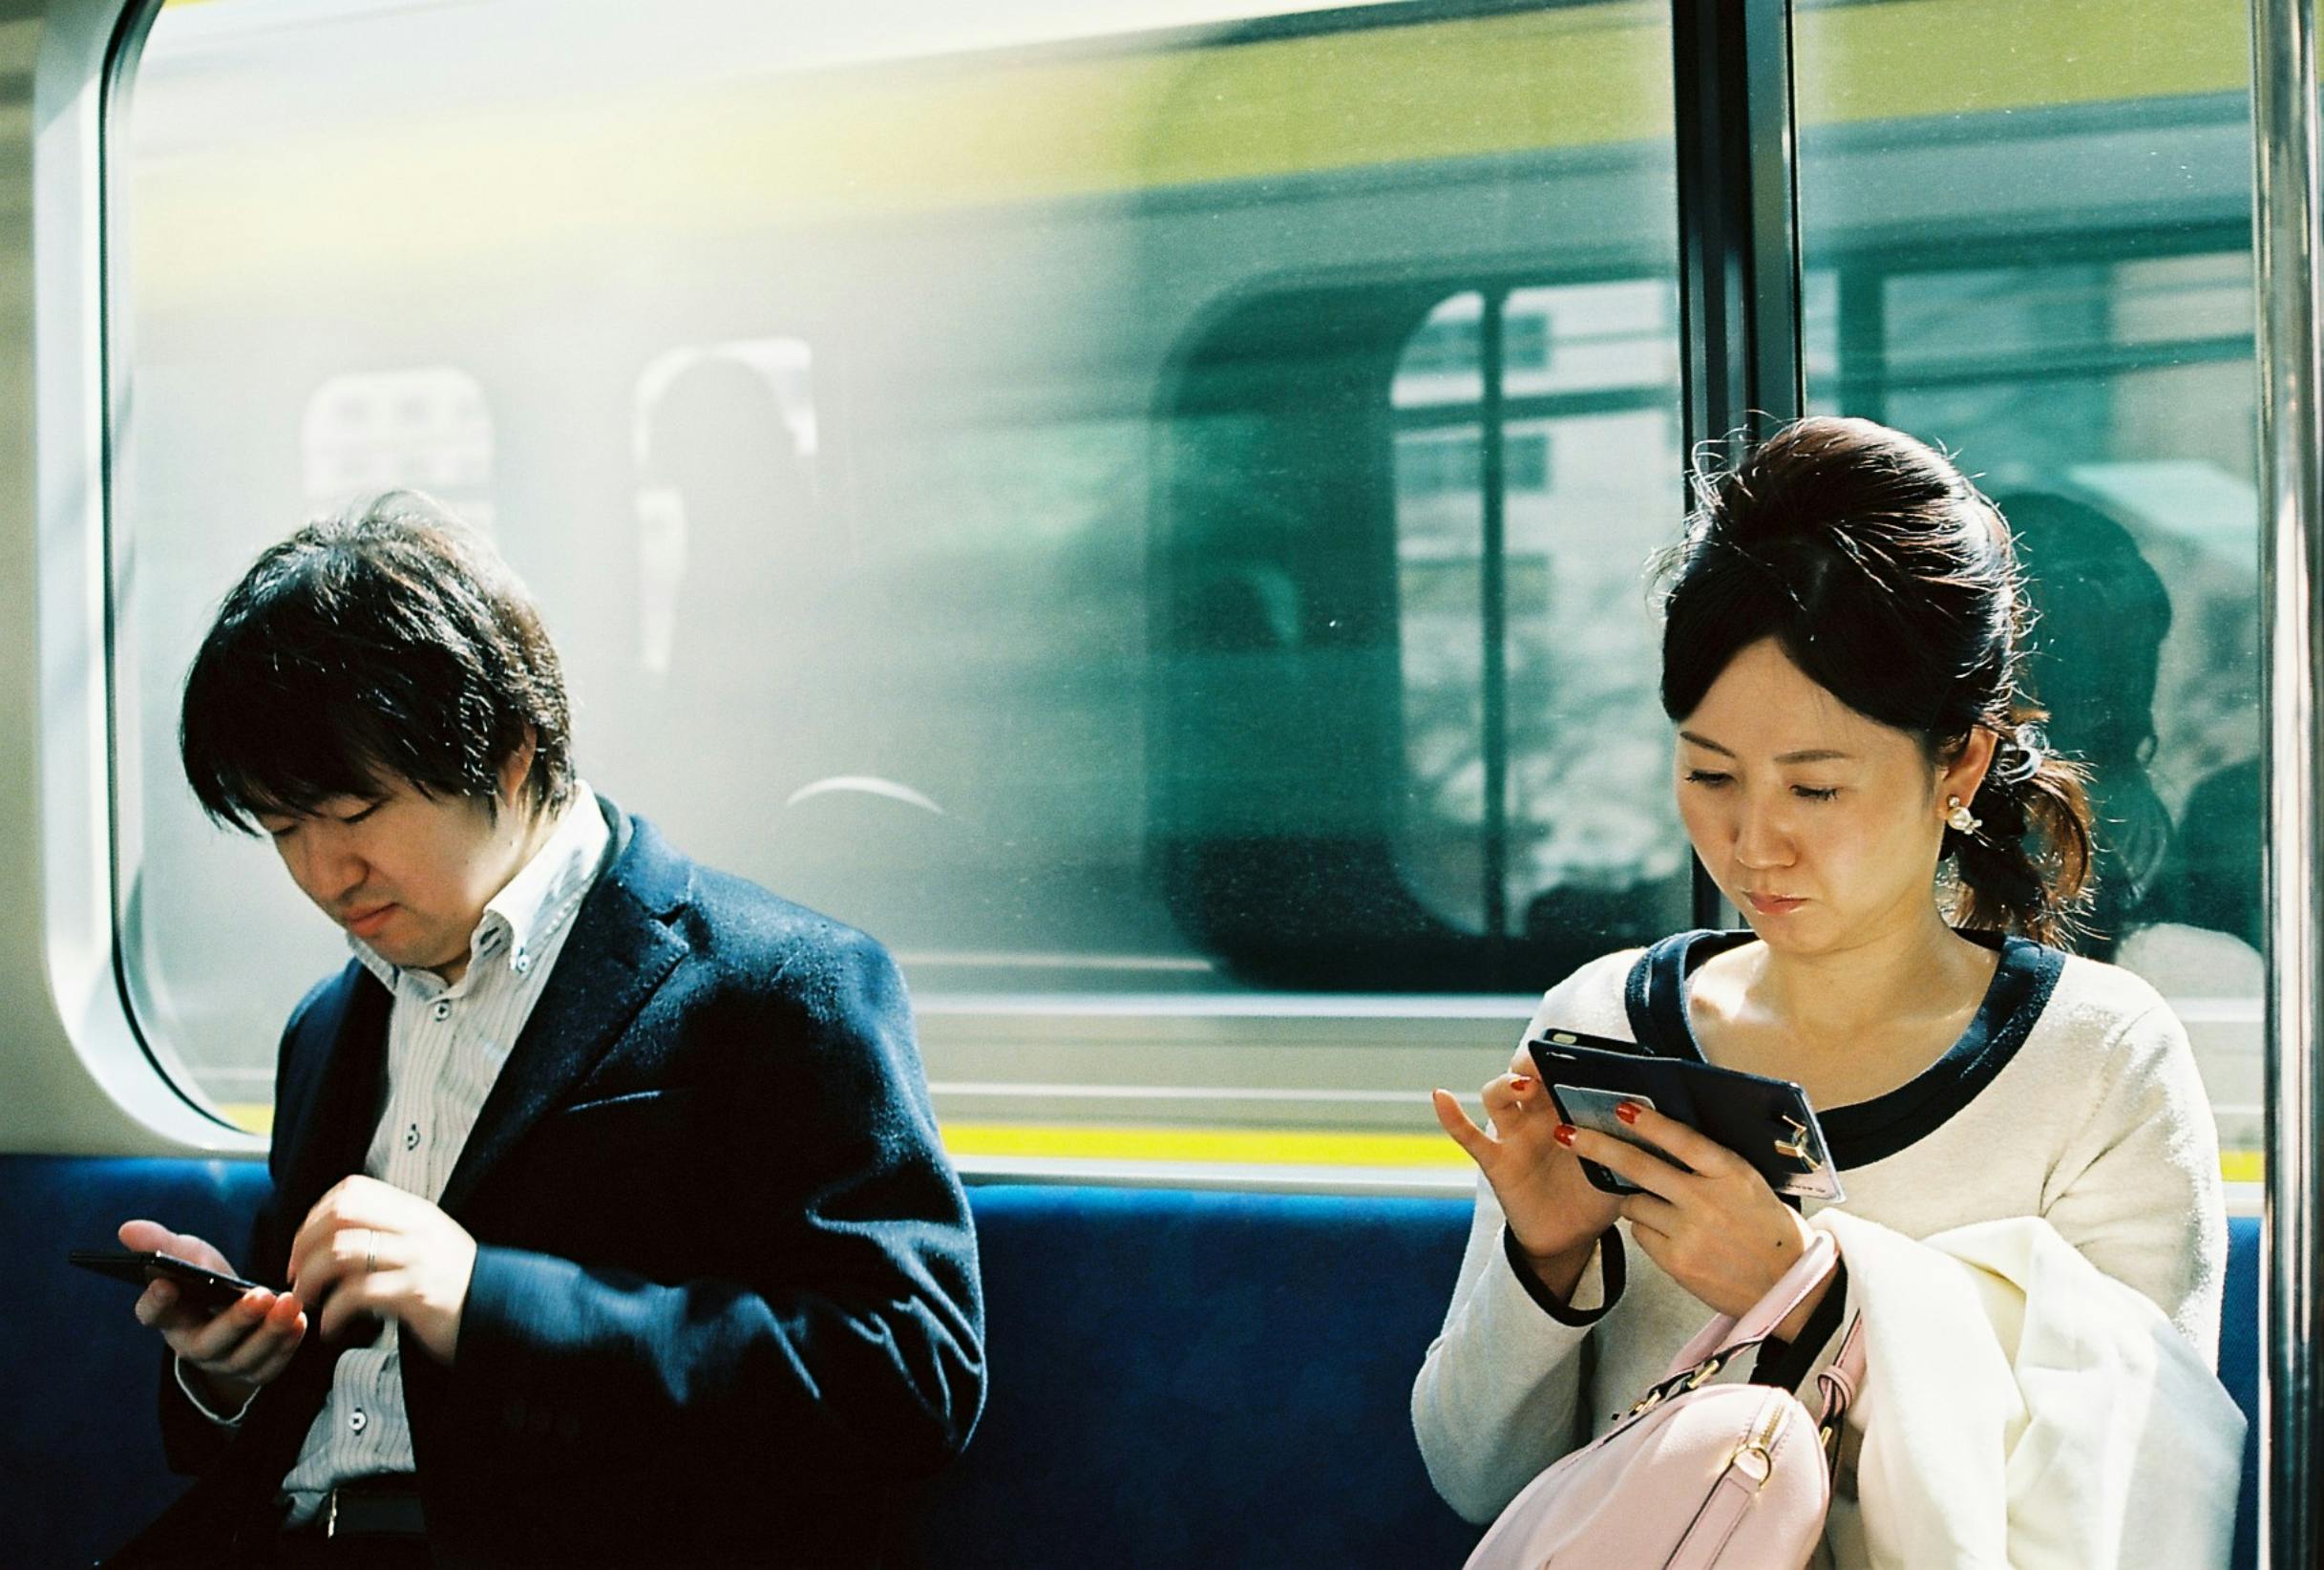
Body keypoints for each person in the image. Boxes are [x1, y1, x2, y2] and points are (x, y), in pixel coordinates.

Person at [1412, 418, 2241, 1566]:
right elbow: (1477, 1486)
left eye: (1815, 787)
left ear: (1954, 762)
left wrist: (1813, 1290)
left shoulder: (2100, 1058)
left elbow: (2143, 1487)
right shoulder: (1598, 1020)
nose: (1751, 845)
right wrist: (1546, 1262)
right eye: (1707, 774)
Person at [108, 493, 984, 1568]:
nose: (323, 875)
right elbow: (304, 1408)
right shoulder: (327, 1028)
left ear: (510, 749)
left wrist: (487, 1302)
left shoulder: (779, 986)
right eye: (282, 828)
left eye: (352, 814)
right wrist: (230, 1371)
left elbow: (907, 1375)